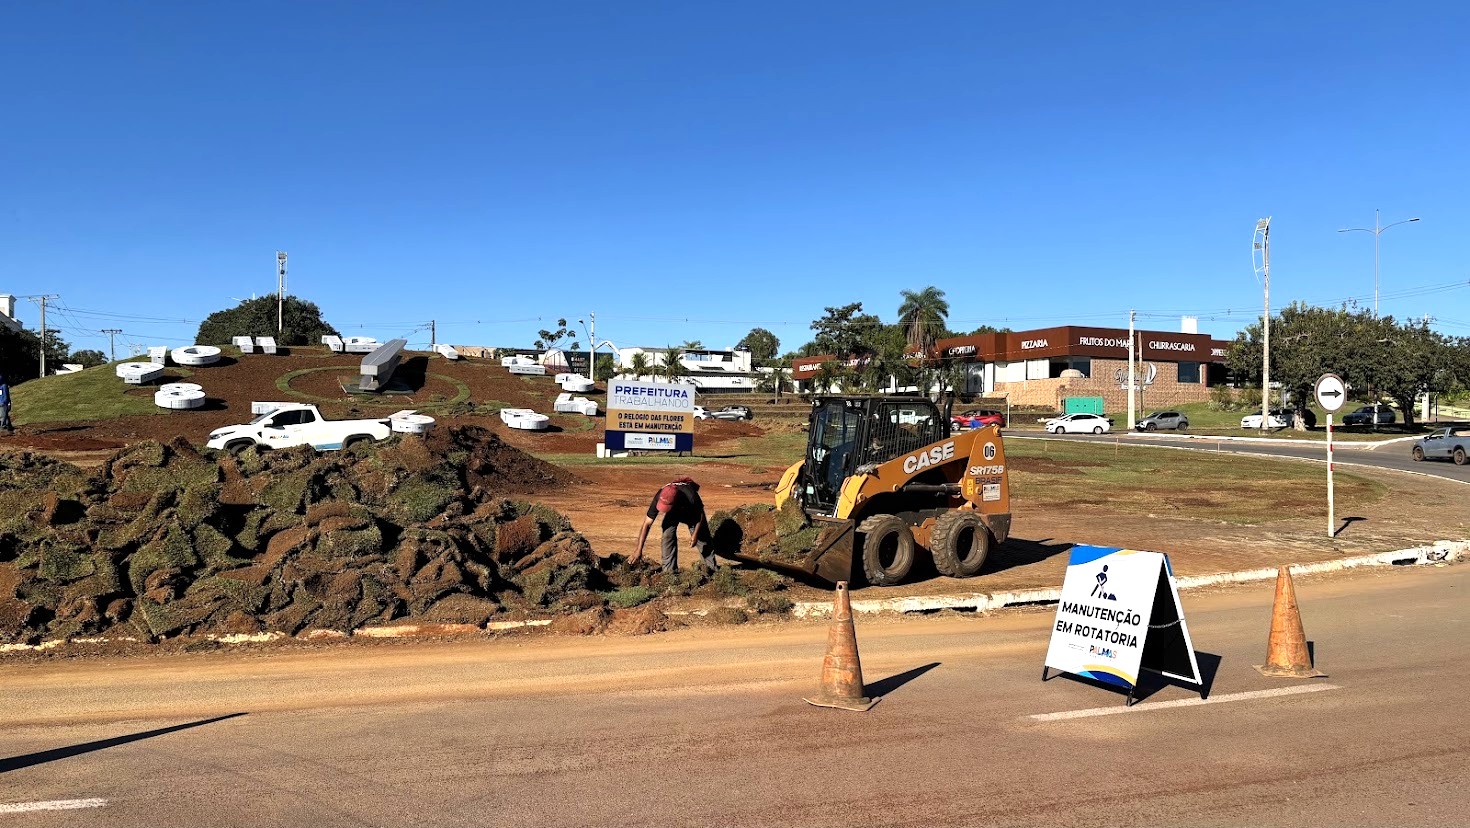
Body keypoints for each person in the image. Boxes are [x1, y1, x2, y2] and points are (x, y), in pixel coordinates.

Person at [633, 477, 716, 574]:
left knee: (703, 539)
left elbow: (700, 514)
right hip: (673, 511)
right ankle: (669, 572)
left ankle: (711, 570)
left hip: (691, 511)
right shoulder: (659, 496)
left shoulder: (690, 496)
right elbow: (647, 524)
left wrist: (695, 534)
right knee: (667, 535)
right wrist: (639, 550)